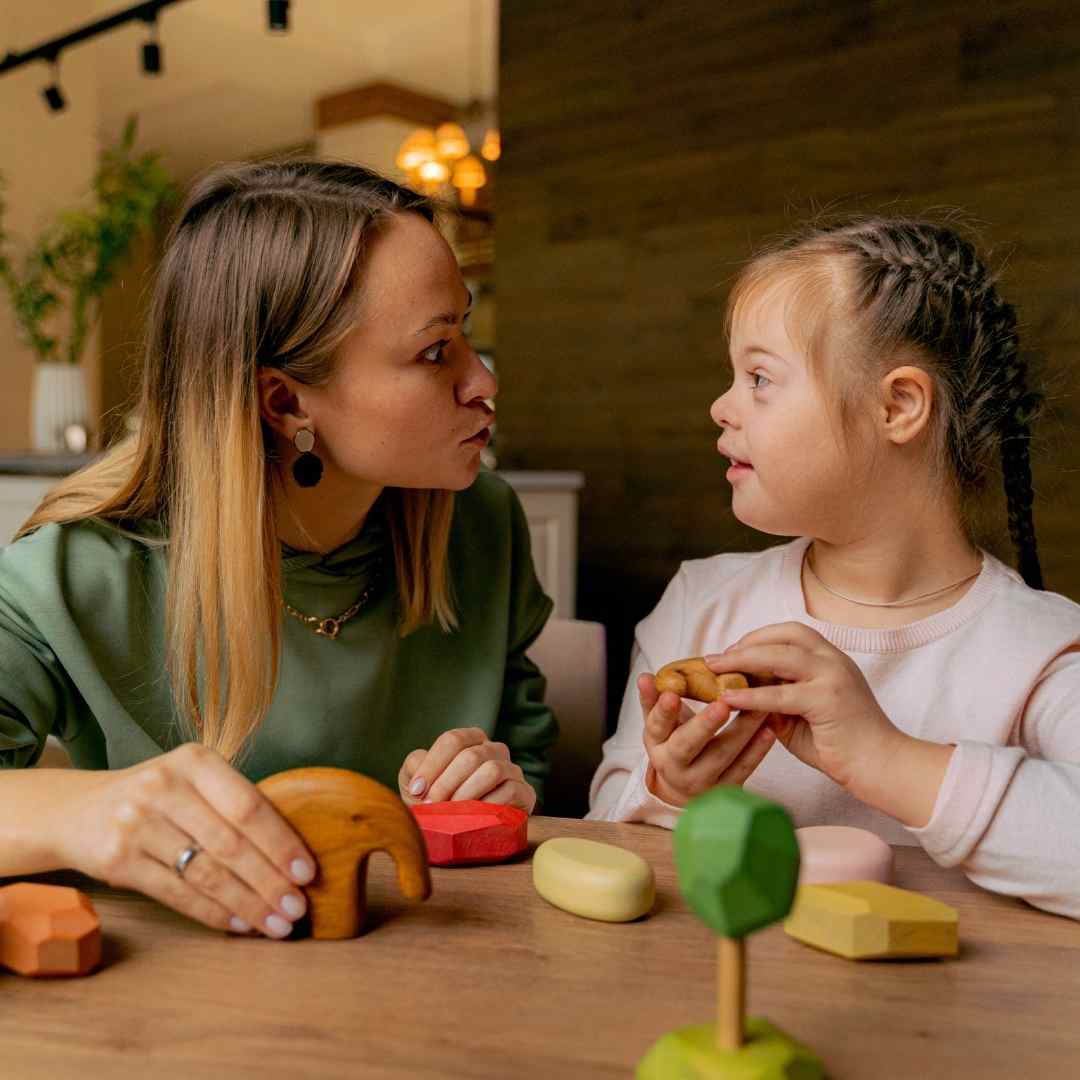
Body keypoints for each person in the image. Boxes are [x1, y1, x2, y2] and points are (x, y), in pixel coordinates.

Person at [0, 161, 556, 939]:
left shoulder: (482, 522)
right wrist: (86, 809)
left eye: (465, 331)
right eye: (436, 352)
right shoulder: (73, 573)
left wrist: (500, 791)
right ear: (285, 401)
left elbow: (529, 763)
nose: (483, 381)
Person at [588, 215, 1080, 919]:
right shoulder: (704, 602)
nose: (721, 406)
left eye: (760, 377)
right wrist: (669, 793)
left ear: (898, 406)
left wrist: (885, 757)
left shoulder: (1042, 651)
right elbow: (600, 838)